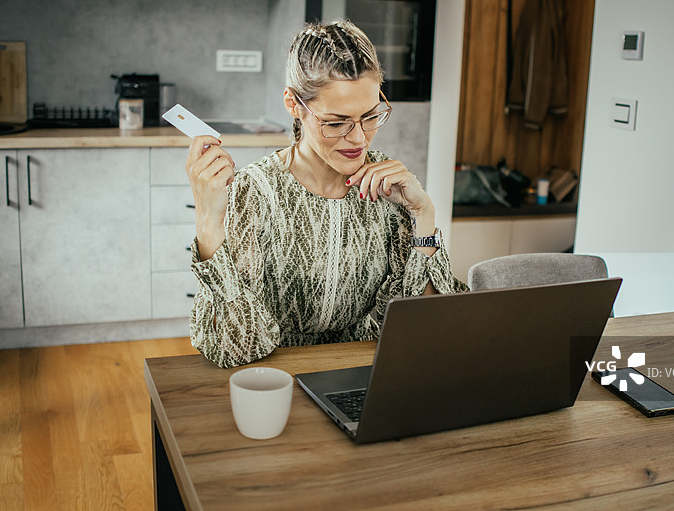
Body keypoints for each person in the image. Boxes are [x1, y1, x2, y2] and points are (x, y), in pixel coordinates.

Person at [185, 20, 468, 368]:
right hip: (277, 380)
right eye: (336, 123)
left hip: (370, 377)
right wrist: (208, 223)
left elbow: (422, 325)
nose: (359, 139)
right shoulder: (255, 192)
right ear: (293, 104)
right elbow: (238, 348)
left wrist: (424, 215)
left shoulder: (390, 187)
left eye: (370, 116)